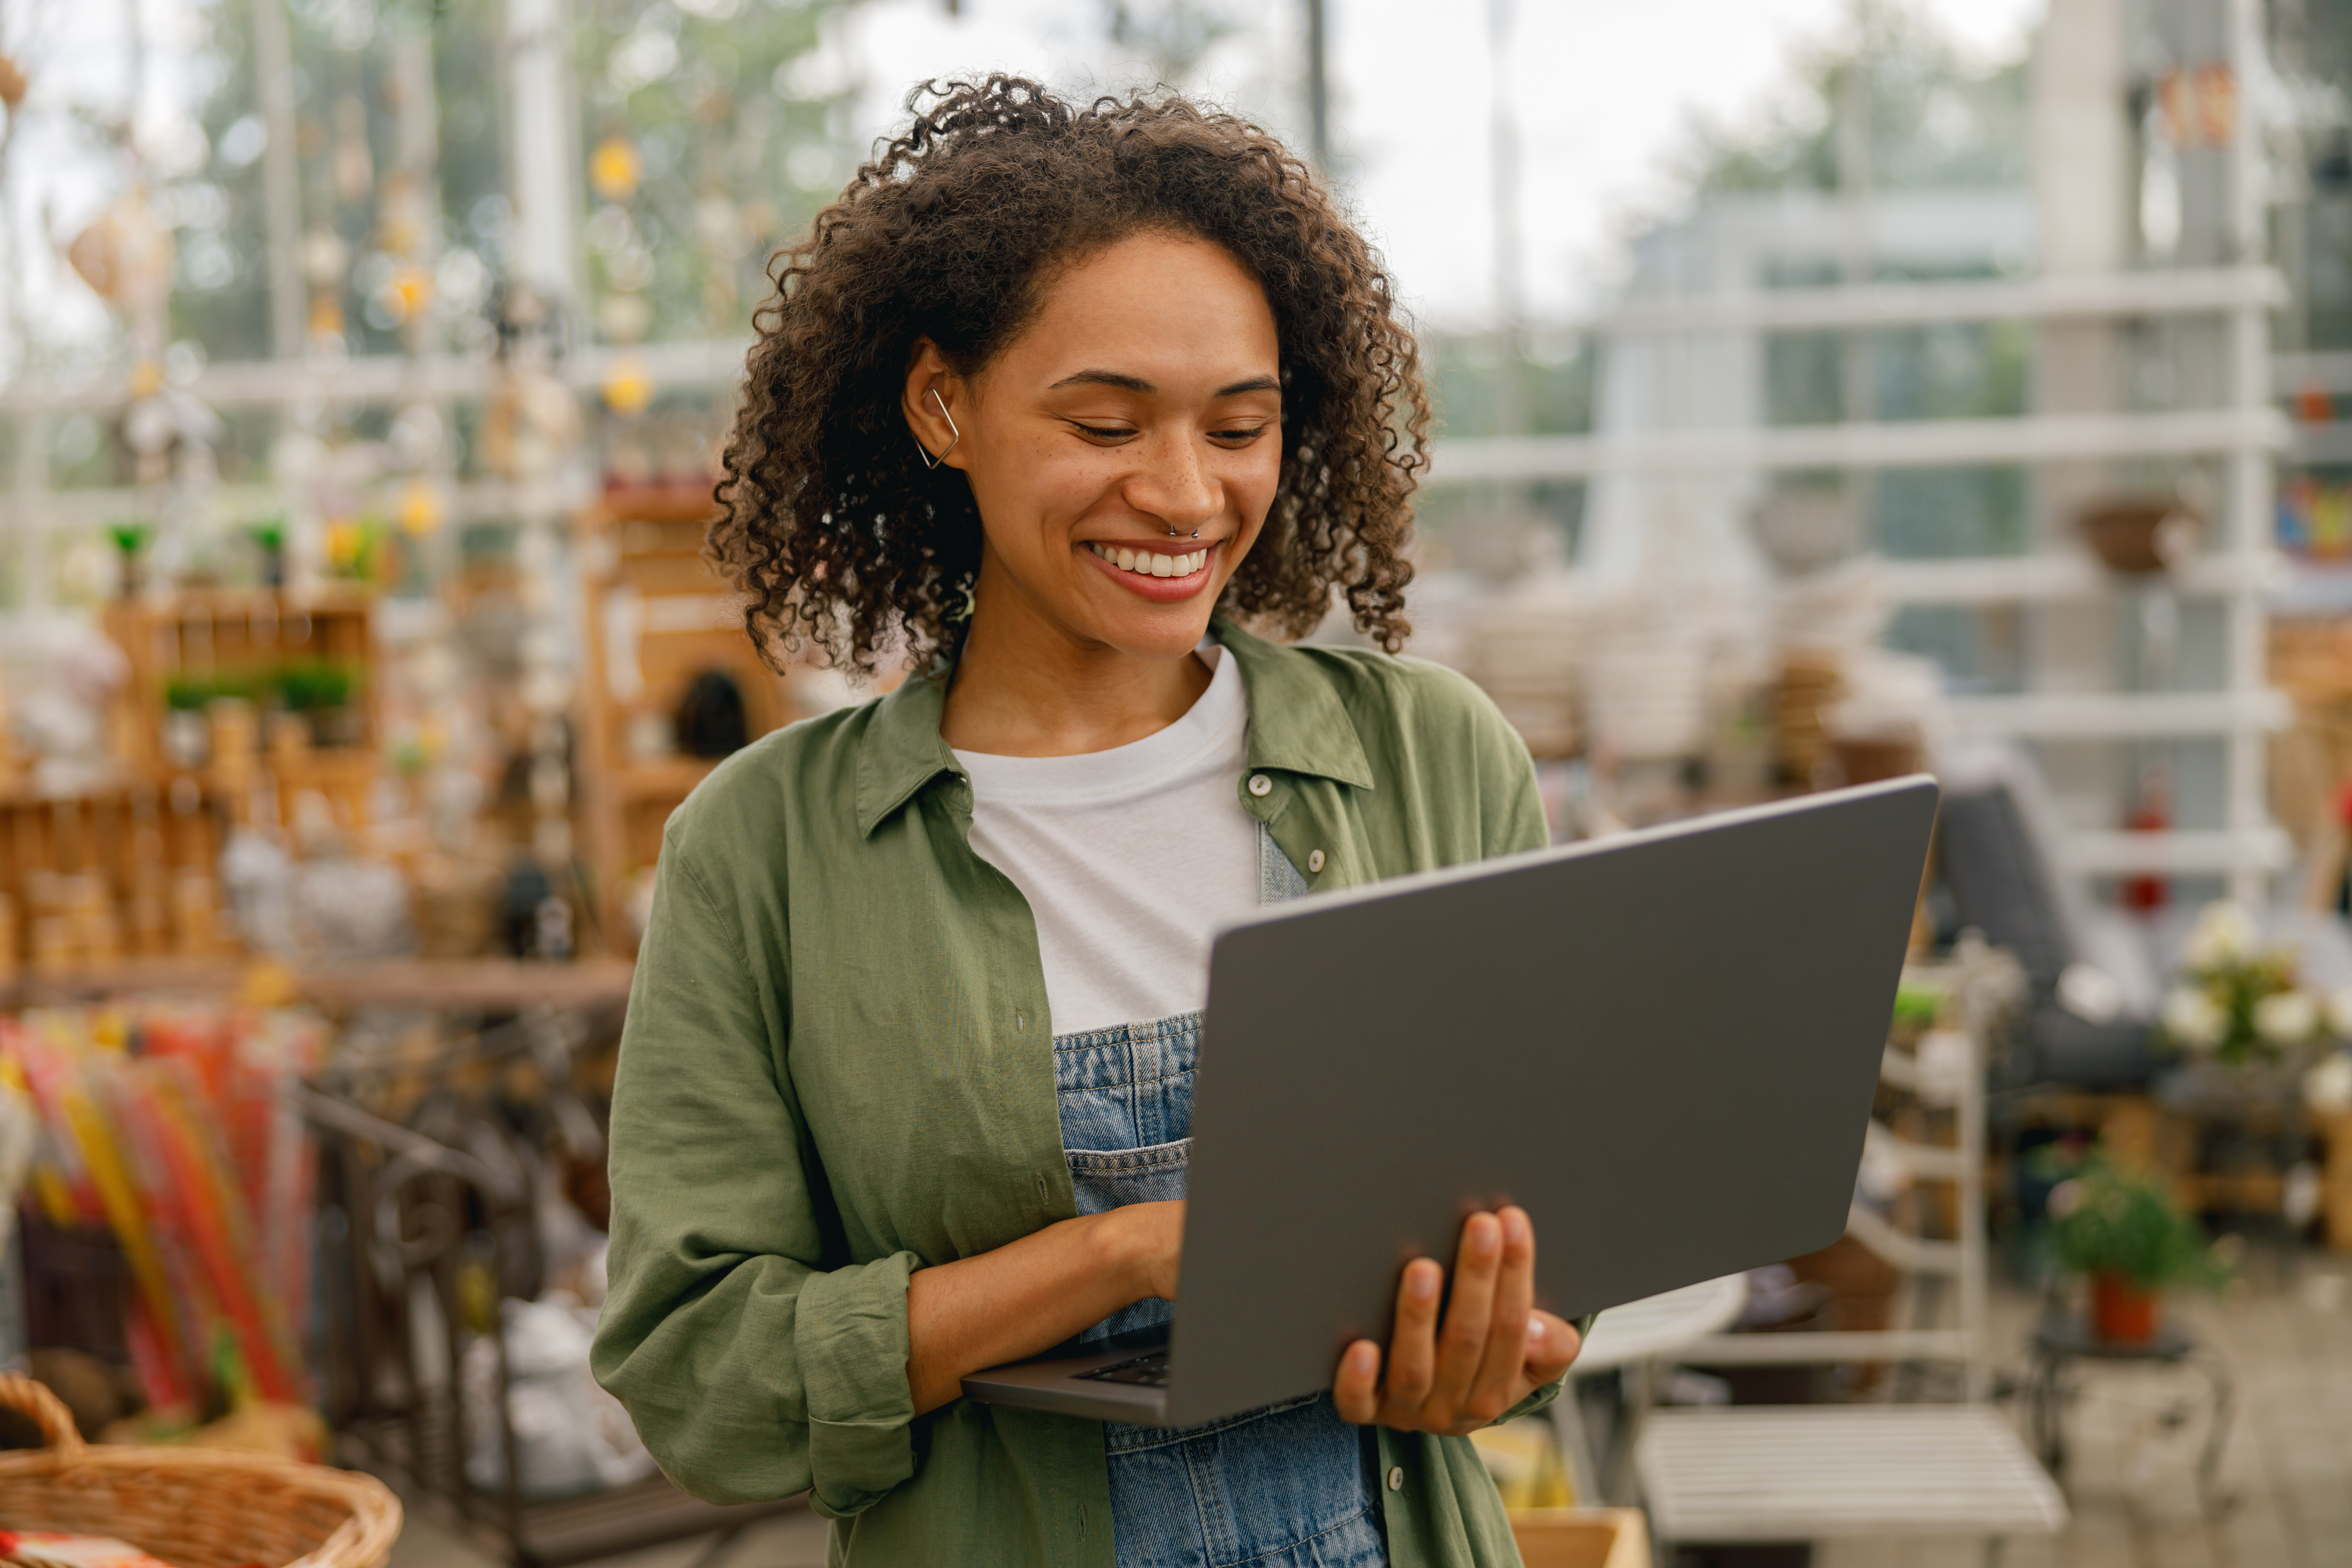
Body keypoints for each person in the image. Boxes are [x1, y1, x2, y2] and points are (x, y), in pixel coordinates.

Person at [592, 76, 1582, 1568]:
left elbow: (1560, 1214)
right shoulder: (765, 852)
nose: (1185, 494)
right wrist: (1112, 1254)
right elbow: (699, 1376)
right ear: (944, 406)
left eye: (1240, 426)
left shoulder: (1428, 757)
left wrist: (1499, 1335)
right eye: (1107, 421)